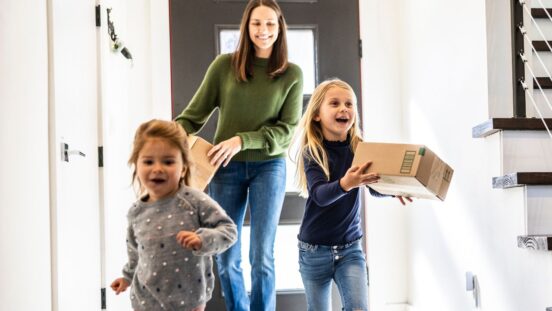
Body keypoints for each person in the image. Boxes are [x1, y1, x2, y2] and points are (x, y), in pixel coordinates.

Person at [174, 1, 303, 310]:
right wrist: (166, 139)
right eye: (257, 23)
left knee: (262, 254)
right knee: (226, 253)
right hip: (224, 169)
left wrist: (241, 140)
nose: (264, 31)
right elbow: (191, 117)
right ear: (246, 27)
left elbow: (286, 131)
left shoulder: (291, 75)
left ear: (280, 28)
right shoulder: (224, 67)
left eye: (271, 24)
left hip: (268, 168)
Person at [294, 79, 411, 311]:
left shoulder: (360, 148)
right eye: (335, 103)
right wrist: (346, 183)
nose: (344, 109)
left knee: (359, 308)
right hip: (313, 251)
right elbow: (320, 195)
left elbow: (373, 186)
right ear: (317, 114)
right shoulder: (313, 152)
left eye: (349, 104)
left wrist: (392, 189)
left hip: (350, 249)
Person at [110, 119, 237, 311]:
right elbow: (135, 252)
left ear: (183, 167)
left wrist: (202, 239)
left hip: (190, 301)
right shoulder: (136, 212)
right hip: (145, 302)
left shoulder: (194, 201)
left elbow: (228, 231)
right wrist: (127, 277)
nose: (158, 168)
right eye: (148, 161)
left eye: (168, 161)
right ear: (136, 165)